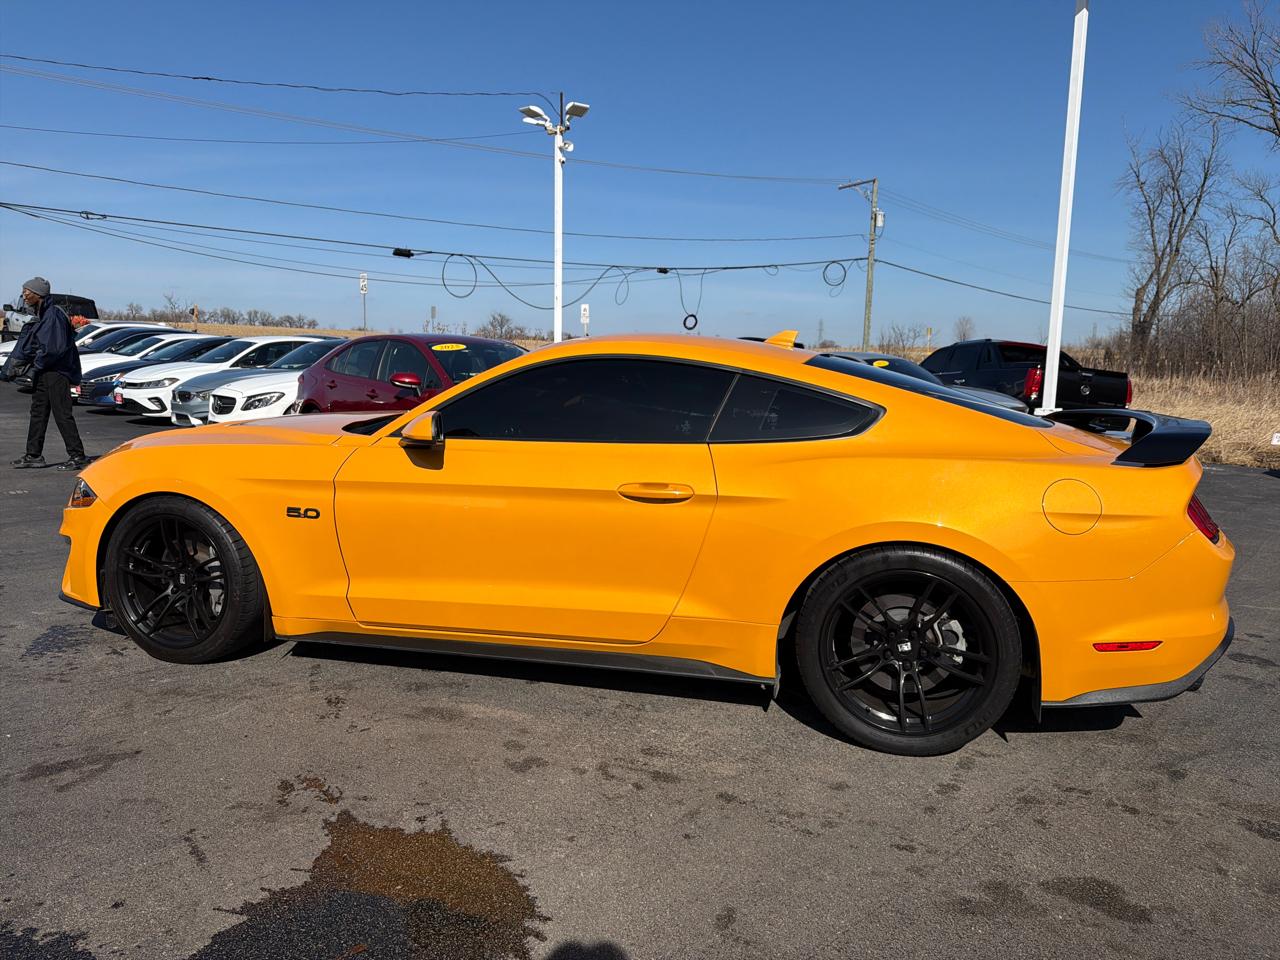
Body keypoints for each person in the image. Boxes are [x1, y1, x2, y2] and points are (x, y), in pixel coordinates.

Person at [0, 277, 89, 470]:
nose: (23, 295)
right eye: (23, 290)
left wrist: (35, 365)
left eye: (27, 291)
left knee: (62, 414)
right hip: (44, 372)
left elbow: (53, 350)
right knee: (38, 414)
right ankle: (33, 455)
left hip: (56, 372)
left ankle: (78, 456)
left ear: (38, 294)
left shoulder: (52, 316)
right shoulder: (42, 314)